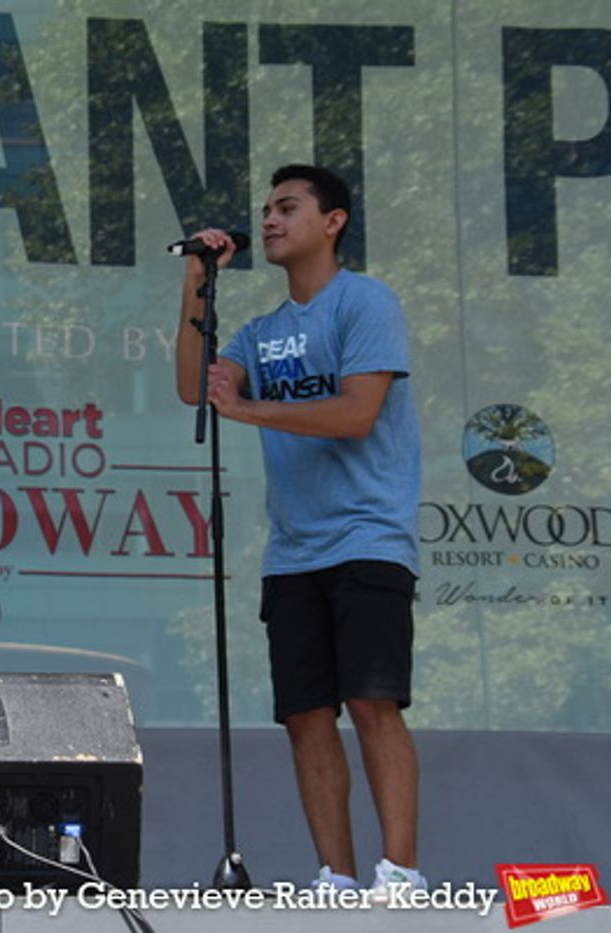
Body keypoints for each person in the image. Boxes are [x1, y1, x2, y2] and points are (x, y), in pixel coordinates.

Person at [173, 165, 425, 895]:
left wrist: (251, 411)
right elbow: (197, 386)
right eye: (267, 209)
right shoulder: (261, 332)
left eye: (288, 207)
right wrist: (196, 279)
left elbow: (355, 414)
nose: (272, 220)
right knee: (306, 715)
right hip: (293, 549)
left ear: (333, 221)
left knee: (373, 702)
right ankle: (337, 876)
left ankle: (400, 871)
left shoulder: (365, 301)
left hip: (369, 537)